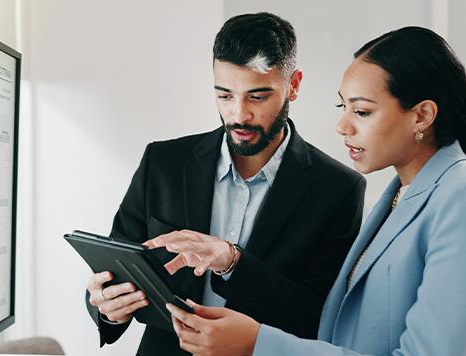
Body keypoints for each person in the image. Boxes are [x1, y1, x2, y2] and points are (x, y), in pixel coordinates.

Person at [165, 26, 466, 356]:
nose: (342, 126)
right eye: (343, 108)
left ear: (422, 115)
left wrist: (258, 343)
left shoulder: (457, 197)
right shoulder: (400, 197)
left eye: (362, 111)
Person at [85, 12, 366, 356]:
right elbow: (117, 268)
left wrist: (233, 262)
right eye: (224, 95)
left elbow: (320, 316)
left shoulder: (338, 188)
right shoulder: (163, 163)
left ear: (293, 84)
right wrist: (106, 307)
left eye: (258, 97)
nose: (239, 114)